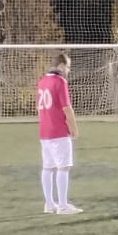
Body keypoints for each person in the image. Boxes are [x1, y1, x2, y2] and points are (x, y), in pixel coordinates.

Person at [37, 52, 82, 214]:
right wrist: (74, 128)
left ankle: (49, 204)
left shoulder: (42, 81)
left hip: (44, 131)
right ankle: (62, 205)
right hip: (59, 131)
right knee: (63, 167)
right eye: (68, 67)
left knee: (48, 168)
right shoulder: (60, 81)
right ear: (61, 66)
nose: (68, 70)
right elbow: (67, 108)